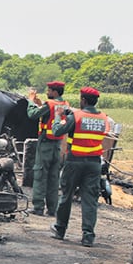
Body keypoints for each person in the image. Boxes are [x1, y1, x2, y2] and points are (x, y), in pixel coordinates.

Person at [50, 86, 110, 247]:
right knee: (90, 199)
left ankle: (60, 229)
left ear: (83, 100)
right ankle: (88, 236)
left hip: (75, 161)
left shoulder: (76, 116)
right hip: (94, 163)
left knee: (66, 196)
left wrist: (58, 117)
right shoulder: (104, 118)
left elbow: (57, 131)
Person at [26, 81, 69, 216]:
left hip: (45, 144)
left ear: (55, 92)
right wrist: (40, 104)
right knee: (53, 176)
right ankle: (52, 209)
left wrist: (31, 101)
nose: (47, 92)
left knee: (40, 174)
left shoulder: (50, 104)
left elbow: (32, 114)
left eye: (49, 90)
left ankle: (38, 207)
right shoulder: (65, 104)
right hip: (58, 145)